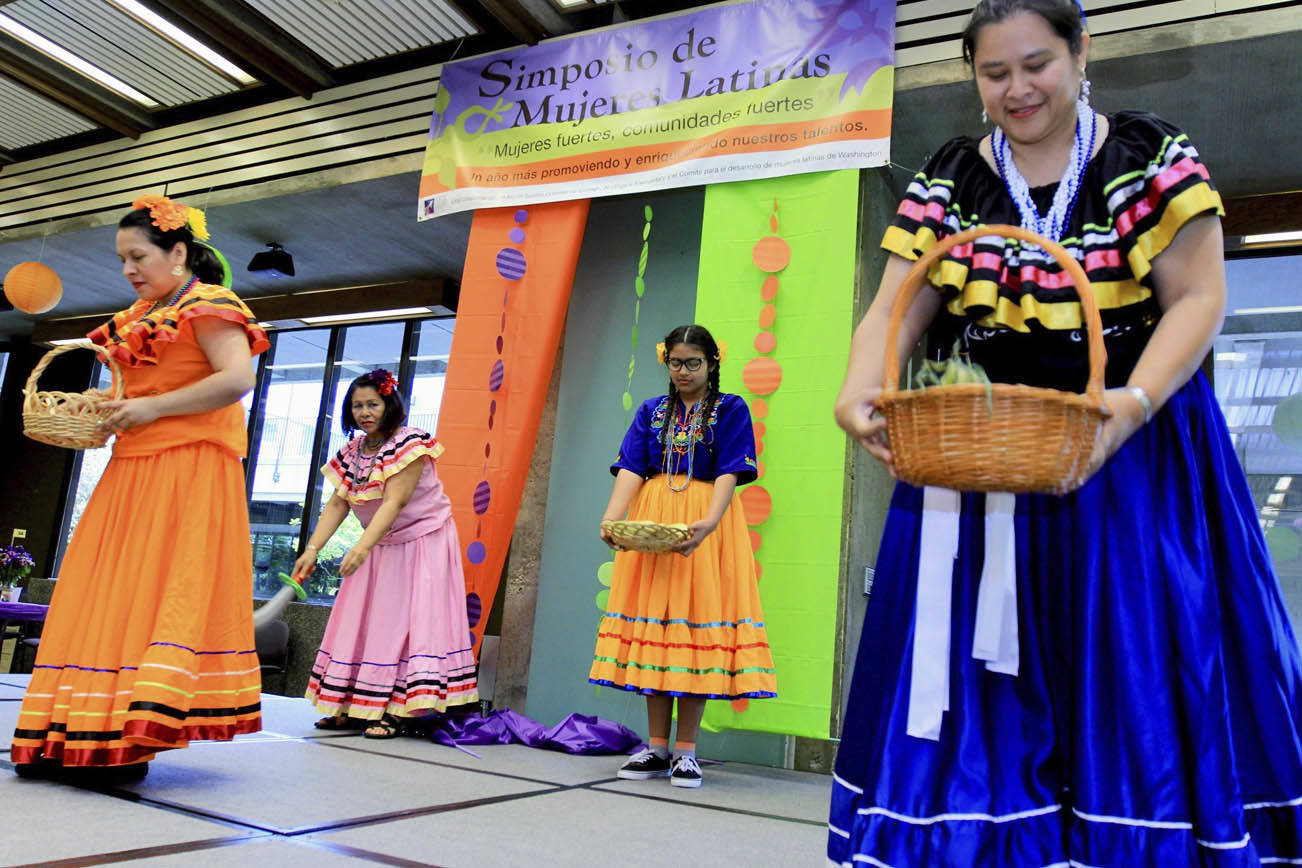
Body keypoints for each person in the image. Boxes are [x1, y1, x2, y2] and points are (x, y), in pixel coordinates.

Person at [828, 0, 1302, 864]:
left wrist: (1130, 407)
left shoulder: (1145, 156)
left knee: (1133, 663)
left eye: (1037, 64)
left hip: (1133, 445)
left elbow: (1198, 298)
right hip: (986, 450)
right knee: (984, 690)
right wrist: (861, 388)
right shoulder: (951, 177)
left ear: (1083, 53)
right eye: (995, 72)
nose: (1018, 90)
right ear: (972, 77)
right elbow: (895, 310)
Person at [12, 194, 268, 778]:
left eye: (139, 256)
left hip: (189, 468)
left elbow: (237, 379)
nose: (129, 268)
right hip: (132, 467)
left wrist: (153, 410)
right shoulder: (135, 319)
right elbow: (130, 393)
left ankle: (126, 740)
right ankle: (77, 732)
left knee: (152, 595)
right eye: (122, 259)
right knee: (106, 593)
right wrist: (99, 404)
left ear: (178, 253)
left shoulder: (209, 303)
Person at [589, 324, 777, 789]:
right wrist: (612, 519)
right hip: (653, 519)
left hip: (704, 521)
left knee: (694, 628)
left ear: (713, 363)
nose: (683, 371)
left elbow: (733, 470)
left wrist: (711, 522)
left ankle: (687, 752)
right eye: (675, 362)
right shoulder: (651, 411)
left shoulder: (731, 409)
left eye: (693, 362)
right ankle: (656, 747)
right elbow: (632, 466)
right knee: (658, 626)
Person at [296, 369, 479, 739]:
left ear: (389, 404)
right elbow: (337, 503)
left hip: (421, 544)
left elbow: (395, 501)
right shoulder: (353, 451)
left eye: (373, 404)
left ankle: (398, 710)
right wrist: (312, 549)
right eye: (357, 405)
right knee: (363, 622)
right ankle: (352, 705)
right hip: (380, 543)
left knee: (409, 624)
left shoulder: (410, 443)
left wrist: (361, 548)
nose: (365, 412)